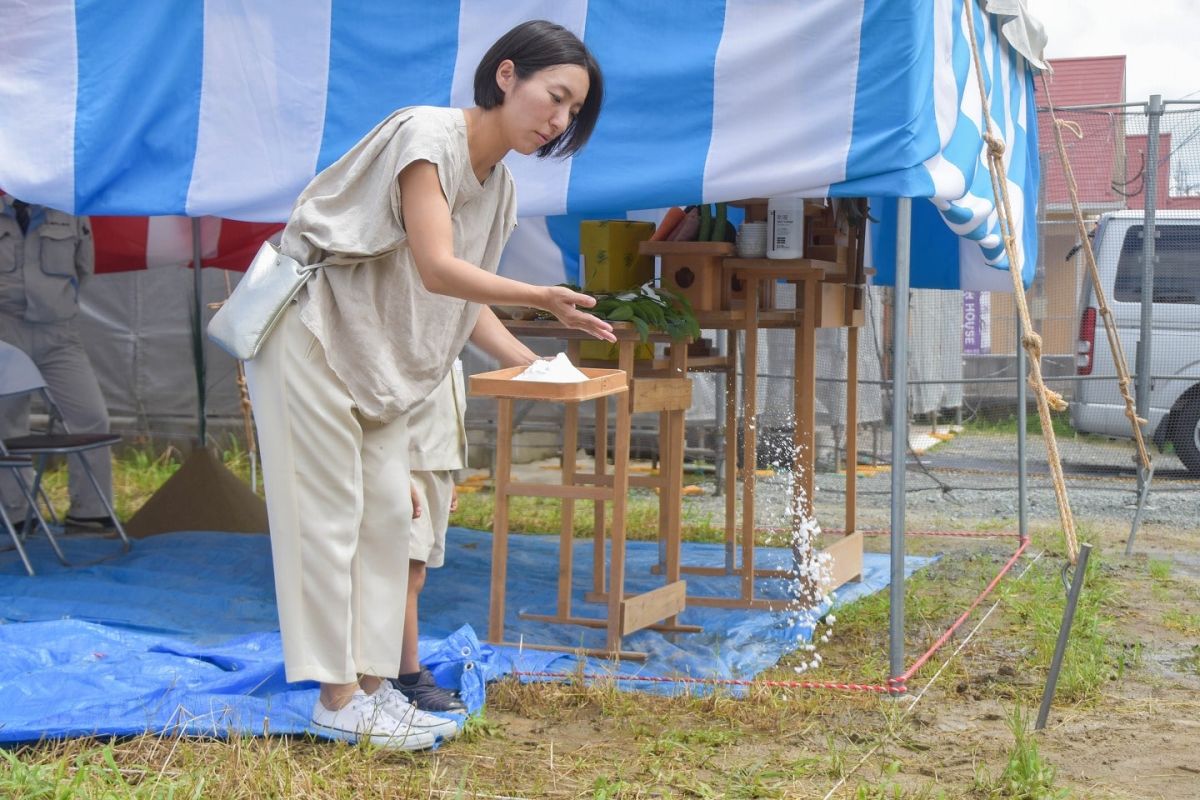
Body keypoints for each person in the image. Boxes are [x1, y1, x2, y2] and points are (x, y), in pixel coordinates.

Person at [243, 20, 612, 749]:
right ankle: (336, 698)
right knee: (326, 519)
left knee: (389, 519)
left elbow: (460, 301)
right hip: (312, 335)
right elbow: (439, 265)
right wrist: (542, 298)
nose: (559, 120)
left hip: (378, 364)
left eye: (573, 111)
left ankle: (376, 692)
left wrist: (531, 363)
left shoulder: (499, 189)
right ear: (507, 75)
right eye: (555, 96)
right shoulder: (427, 136)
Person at [0, 191, 115, 532]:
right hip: (5, 330)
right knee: (6, 423)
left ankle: (90, 512)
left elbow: (84, 267)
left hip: (60, 333)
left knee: (91, 417)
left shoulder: (67, 207)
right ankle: (16, 514)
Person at [392, 359, 468, 714]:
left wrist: (447, 472)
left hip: (432, 457)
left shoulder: (451, 320)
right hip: (404, 456)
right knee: (406, 570)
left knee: (414, 572)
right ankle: (405, 677)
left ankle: (393, 670)